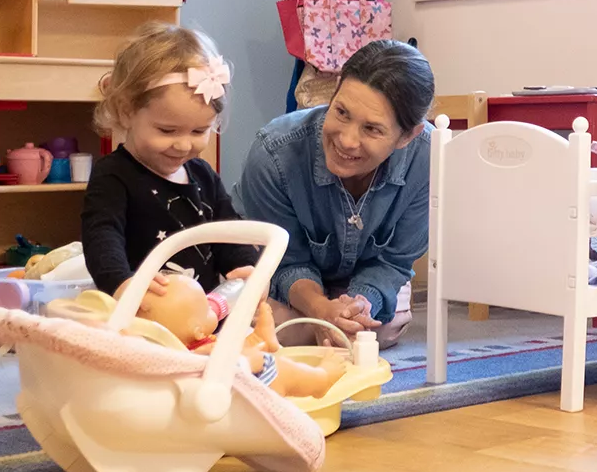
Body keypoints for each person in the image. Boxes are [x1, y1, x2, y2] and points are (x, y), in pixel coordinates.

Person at [237, 39, 434, 346]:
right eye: (341, 112)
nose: (347, 140)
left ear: (407, 136)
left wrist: (357, 306)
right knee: (275, 327)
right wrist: (319, 309)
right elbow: (283, 262)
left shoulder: (429, 159)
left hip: (364, 276)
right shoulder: (274, 153)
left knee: (380, 327)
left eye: (372, 129)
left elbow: (394, 262)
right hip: (283, 276)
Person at [81, 23, 258, 299]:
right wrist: (121, 283)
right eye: (167, 131)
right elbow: (102, 236)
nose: (184, 145)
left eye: (199, 131)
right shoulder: (113, 175)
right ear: (127, 112)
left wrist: (245, 266)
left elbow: (228, 231)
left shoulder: (203, 174)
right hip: (139, 316)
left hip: (203, 320)